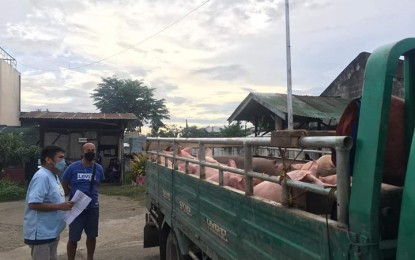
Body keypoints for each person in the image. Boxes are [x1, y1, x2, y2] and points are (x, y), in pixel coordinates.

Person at [23, 145, 75, 260]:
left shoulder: (53, 176)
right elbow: (33, 204)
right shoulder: (41, 177)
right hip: (41, 234)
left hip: (52, 231)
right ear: (48, 160)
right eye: (60, 157)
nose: (63, 161)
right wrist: (60, 206)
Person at [61, 143, 105, 260]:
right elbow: (64, 183)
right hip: (76, 207)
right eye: (87, 150)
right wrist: (70, 193)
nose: (90, 152)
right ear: (82, 152)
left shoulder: (99, 168)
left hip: (92, 208)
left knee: (92, 236)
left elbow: (98, 184)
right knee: (73, 238)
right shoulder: (72, 168)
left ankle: (90, 257)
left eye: (93, 150)